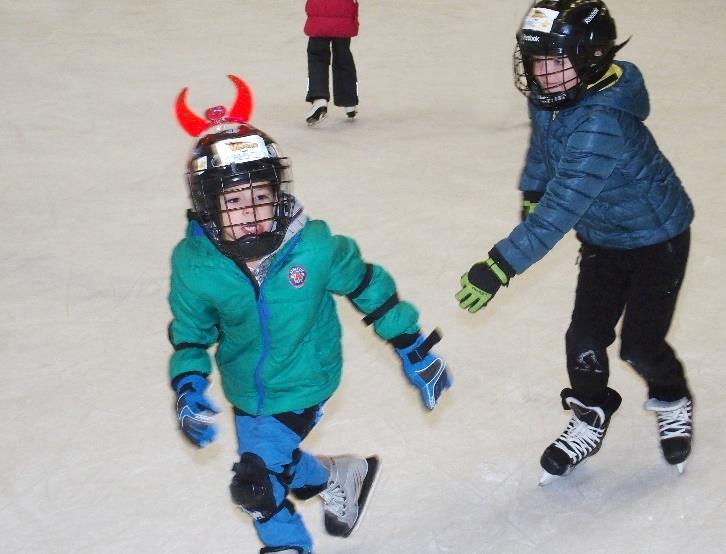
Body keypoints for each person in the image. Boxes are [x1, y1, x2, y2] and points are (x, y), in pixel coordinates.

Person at [168, 119, 451, 553]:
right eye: (234, 202)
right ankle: (340, 474)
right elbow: (191, 331)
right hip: (245, 388)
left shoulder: (313, 248)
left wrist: (412, 346)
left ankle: (287, 545)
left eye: (261, 197)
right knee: (273, 466)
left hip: (305, 377)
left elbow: (367, 286)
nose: (251, 213)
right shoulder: (196, 265)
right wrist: (188, 386)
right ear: (208, 208)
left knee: (256, 485)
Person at [455, 0, 694, 484]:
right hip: (604, 237)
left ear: (591, 56)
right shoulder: (555, 94)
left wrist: (501, 264)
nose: (542, 74)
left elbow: (564, 206)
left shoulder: (601, 122)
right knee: (583, 339)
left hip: (657, 240)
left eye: (555, 60)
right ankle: (590, 415)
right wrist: (531, 191)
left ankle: (672, 397)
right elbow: (544, 152)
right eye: (536, 60)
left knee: (640, 348)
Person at [303, 0, 360, 126]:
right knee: (343, 57)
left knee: (317, 56)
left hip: (319, 12)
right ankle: (349, 102)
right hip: (343, 13)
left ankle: (319, 99)